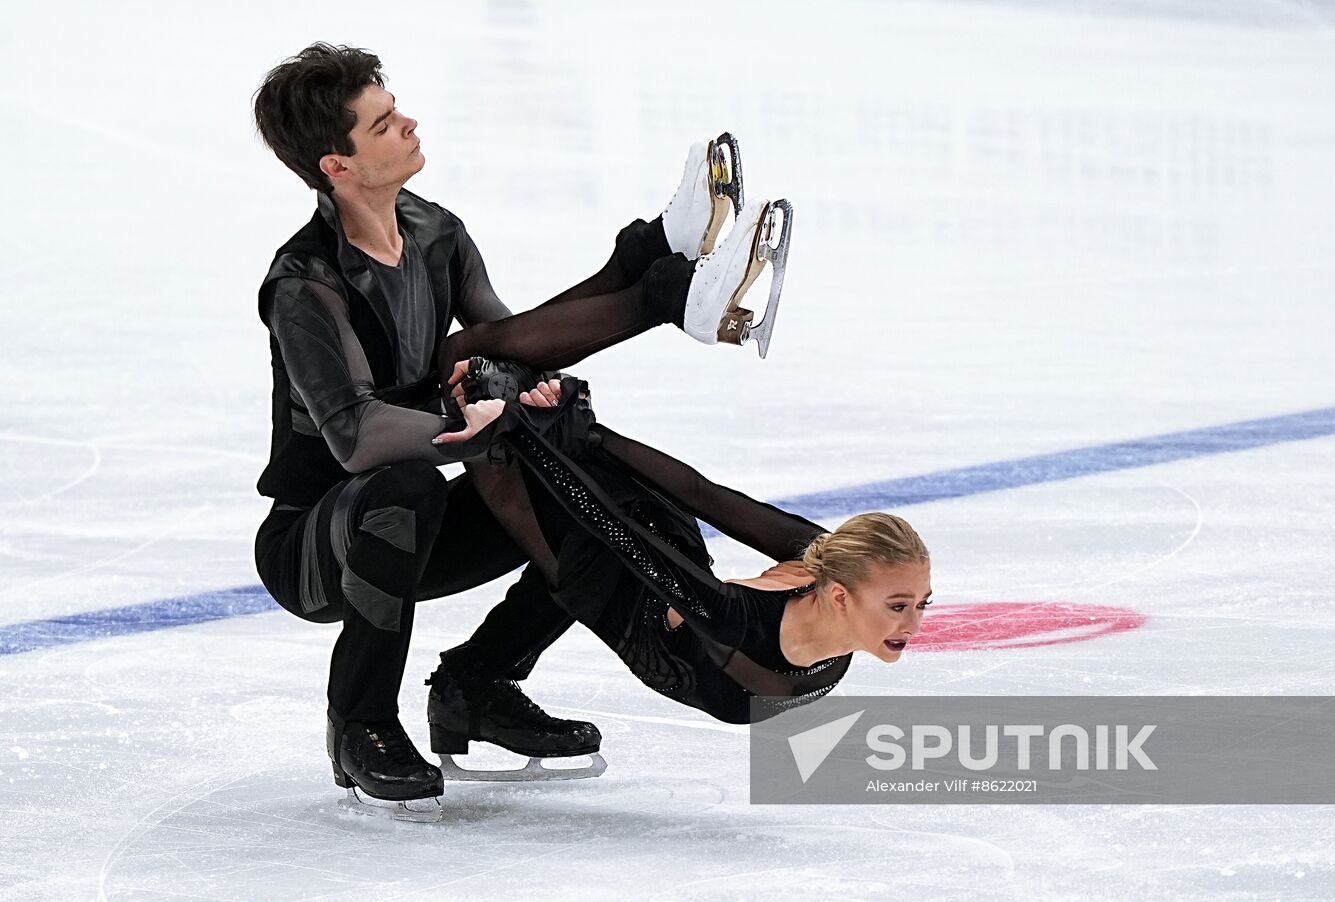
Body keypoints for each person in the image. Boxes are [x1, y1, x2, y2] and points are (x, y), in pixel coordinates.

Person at [248, 43, 792, 818]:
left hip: (417, 522)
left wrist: (524, 402)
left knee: (573, 482)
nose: (409, 123)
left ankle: (477, 686)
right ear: (338, 166)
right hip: (316, 544)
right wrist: (466, 423)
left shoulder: (434, 232)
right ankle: (359, 722)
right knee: (402, 486)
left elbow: (512, 340)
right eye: (382, 122)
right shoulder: (304, 284)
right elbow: (355, 439)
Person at [433, 366, 932, 724]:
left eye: (919, 604)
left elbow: (706, 501)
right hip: (603, 571)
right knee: (500, 392)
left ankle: (519, 406)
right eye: (899, 605)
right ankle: (482, 399)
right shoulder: (737, 622)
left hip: (658, 546)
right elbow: (630, 527)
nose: (914, 624)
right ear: (842, 596)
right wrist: (571, 437)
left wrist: (586, 438)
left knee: (543, 411)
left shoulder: (832, 565)